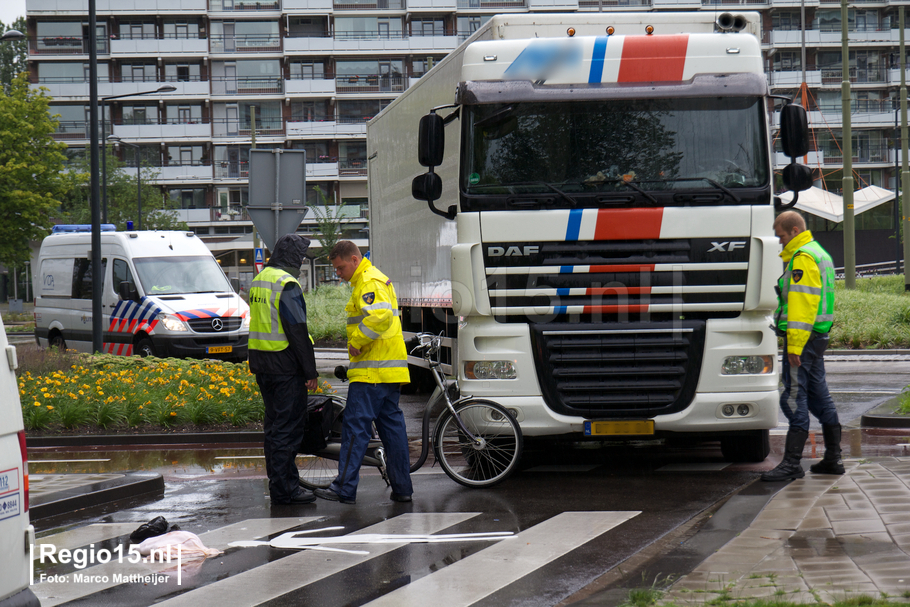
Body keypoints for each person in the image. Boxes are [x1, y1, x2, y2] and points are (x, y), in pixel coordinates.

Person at [314, 240, 413, 504]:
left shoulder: (369, 282)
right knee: (392, 431)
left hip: (372, 373)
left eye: (340, 267)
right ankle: (402, 489)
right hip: (388, 372)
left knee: (355, 429)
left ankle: (344, 489)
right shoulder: (371, 280)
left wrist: (357, 341)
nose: (338, 273)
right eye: (335, 269)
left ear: (355, 260)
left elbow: (379, 316)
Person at [762, 210, 844, 482]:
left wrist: (794, 345)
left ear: (794, 231)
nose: (781, 242)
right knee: (819, 395)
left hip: (803, 340)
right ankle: (833, 458)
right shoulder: (819, 253)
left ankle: (791, 464)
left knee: (794, 397)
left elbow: (801, 305)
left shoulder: (803, 258)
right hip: (818, 337)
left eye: (782, 236)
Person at [248, 234, 319, 504]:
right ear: (291, 258)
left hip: (263, 365)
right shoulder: (286, 284)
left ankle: (280, 484)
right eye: (300, 257)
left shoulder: (260, 280)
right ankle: (285, 490)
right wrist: (310, 371)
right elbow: (297, 331)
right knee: (286, 430)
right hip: (285, 367)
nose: (302, 261)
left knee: (274, 429)